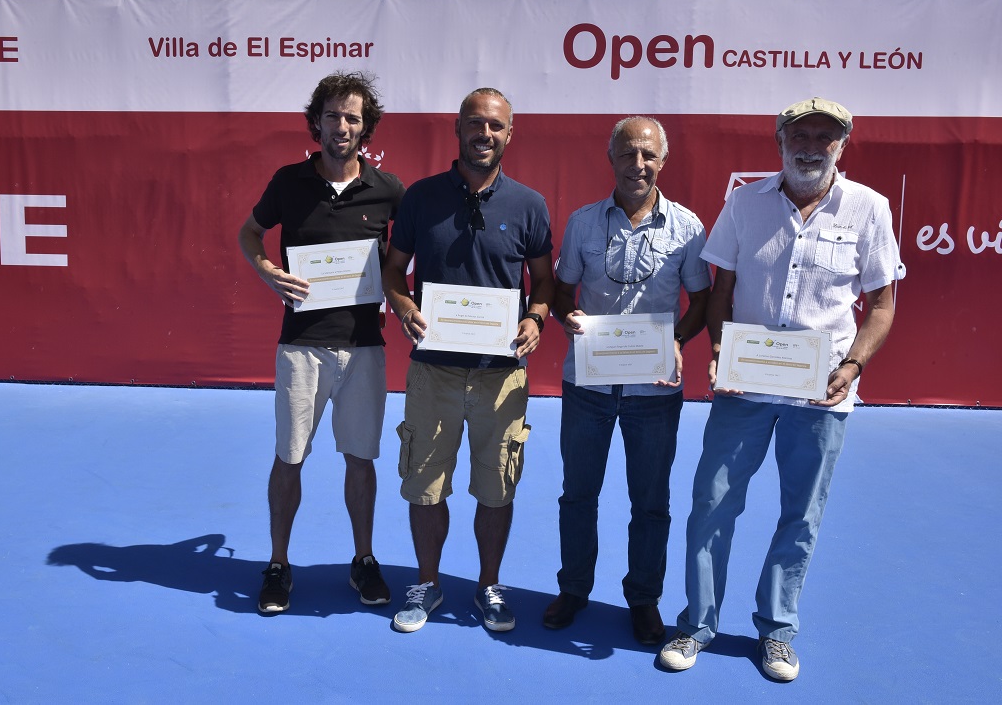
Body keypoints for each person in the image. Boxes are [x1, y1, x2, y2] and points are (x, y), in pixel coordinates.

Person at [659, 97, 899, 681]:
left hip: (822, 393)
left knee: (802, 514)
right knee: (711, 504)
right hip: (744, 387)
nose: (812, 145)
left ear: (843, 144)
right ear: (780, 143)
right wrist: (718, 350)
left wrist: (853, 365)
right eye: (801, 134)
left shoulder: (869, 208)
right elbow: (720, 291)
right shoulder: (744, 203)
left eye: (826, 136)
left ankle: (778, 628)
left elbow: (883, 306)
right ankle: (697, 622)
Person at [381, 87, 554, 633]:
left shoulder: (529, 205)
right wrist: (404, 304)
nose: (485, 134)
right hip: (433, 370)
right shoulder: (421, 197)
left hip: (500, 377)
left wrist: (537, 319)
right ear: (457, 129)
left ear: (510, 133)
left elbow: (544, 283)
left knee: (496, 487)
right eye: (476, 124)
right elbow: (393, 271)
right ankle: (427, 583)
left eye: (496, 126)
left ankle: (488, 586)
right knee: (425, 484)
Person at [238, 71, 405, 614]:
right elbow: (249, 234)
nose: (342, 126)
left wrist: (402, 293)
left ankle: (363, 560)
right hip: (301, 347)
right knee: (289, 458)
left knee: (361, 460)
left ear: (367, 127)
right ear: (317, 122)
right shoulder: (288, 181)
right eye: (332, 115)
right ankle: (279, 564)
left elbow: (405, 259)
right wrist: (267, 270)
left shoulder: (389, 190)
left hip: (364, 348)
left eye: (353, 117)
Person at [544, 117, 711, 645]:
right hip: (588, 385)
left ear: (663, 162)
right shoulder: (582, 224)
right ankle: (574, 589)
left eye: (648, 156)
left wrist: (678, 341)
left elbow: (701, 301)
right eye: (627, 154)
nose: (637, 166)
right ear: (610, 158)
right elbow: (562, 293)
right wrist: (566, 318)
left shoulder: (688, 227)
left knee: (651, 502)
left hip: (654, 390)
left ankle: (643, 599)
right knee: (578, 495)